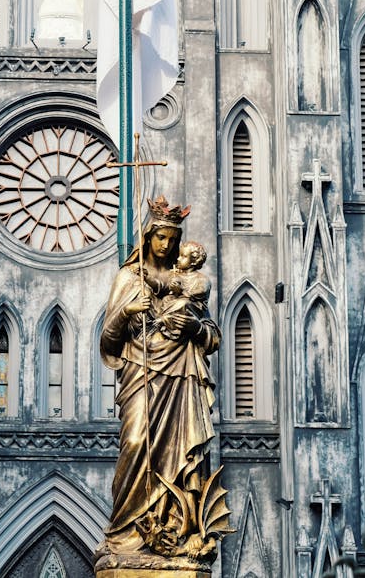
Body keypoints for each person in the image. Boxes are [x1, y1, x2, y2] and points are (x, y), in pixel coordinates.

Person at [98, 199, 221, 562]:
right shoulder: (128, 278)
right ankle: (124, 534)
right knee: (136, 442)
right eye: (160, 237)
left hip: (181, 377)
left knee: (180, 459)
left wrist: (196, 327)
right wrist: (125, 313)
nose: (166, 245)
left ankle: (172, 529)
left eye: (173, 239)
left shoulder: (188, 283)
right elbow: (108, 338)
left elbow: (212, 335)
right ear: (148, 237)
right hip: (141, 372)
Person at [146, 240, 210, 341]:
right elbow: (162, 286)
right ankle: (166, 322)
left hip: (192, 308)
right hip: (175, 306)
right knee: (167, 298)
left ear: (194, 261)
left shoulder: (201, 279)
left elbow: (199, 293)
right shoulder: (176, 275)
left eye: (183, 256)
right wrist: (147, 278)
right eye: (179, 255)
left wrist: (181, 291)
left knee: (183, 303)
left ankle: (164, 320)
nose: (178, 259)